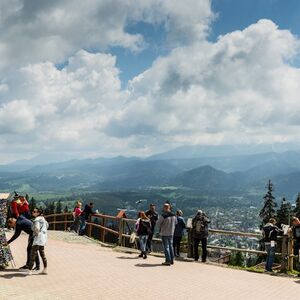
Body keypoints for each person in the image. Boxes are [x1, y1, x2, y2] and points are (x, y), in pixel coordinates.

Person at [28, 208, 49, 275]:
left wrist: (36, 233)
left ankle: (30, 270)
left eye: (34, 212)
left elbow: (36, 228)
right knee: (42, 254)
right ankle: (45, 269)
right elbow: (47, 226)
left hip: (38, 238)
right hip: (43, 238)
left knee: (33, 254)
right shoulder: (44, 220)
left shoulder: (37, 219)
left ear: (38, 213)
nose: (33, 212)